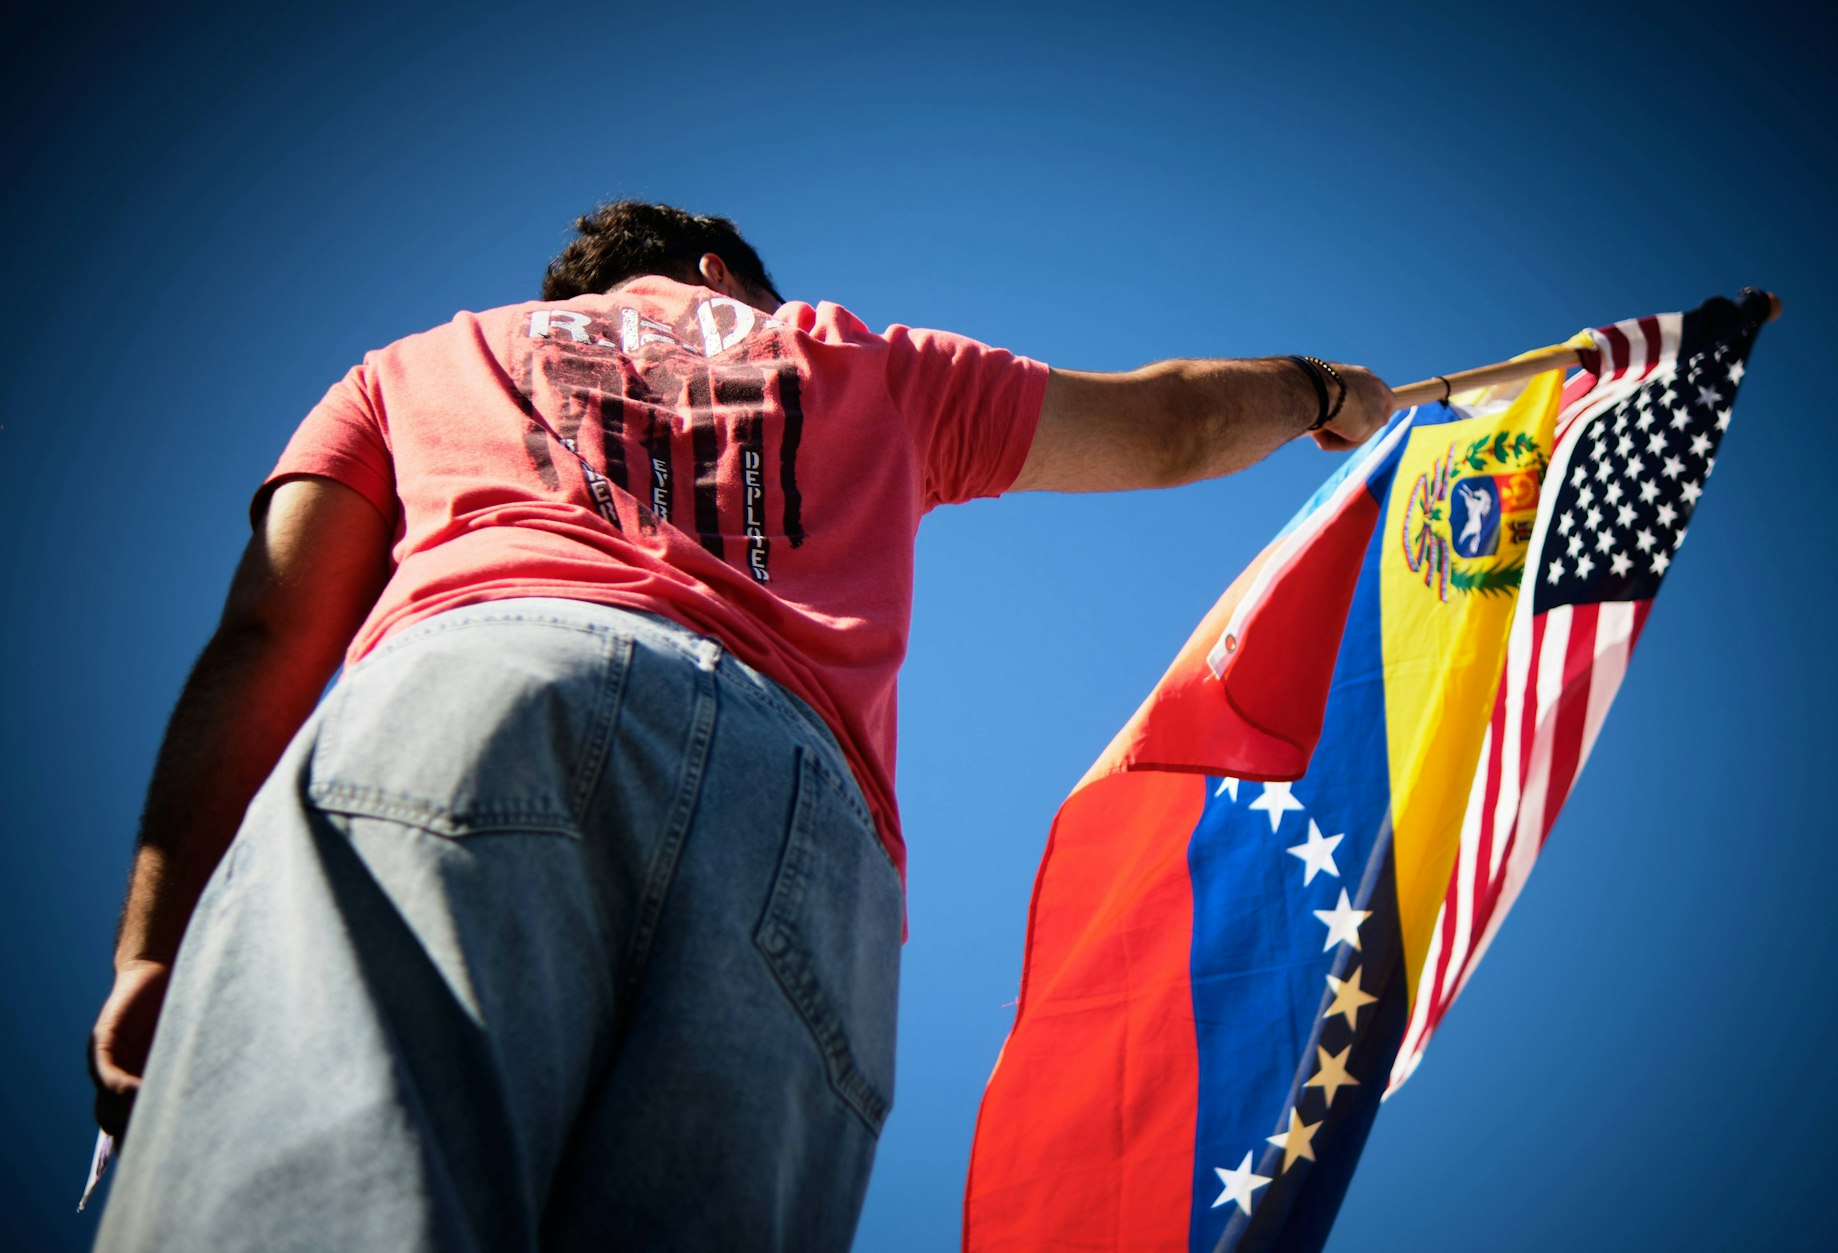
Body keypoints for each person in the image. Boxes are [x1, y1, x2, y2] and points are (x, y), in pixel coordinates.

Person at [86, 201, 1393, 1251]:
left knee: (310, 1197)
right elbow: (1169, 424)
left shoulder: (418, 367)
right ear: (723, 271)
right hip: (800, 814)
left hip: (475, 695)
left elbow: (265, 632)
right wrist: (1317, 388)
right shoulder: (861, 362)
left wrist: (150, 947)